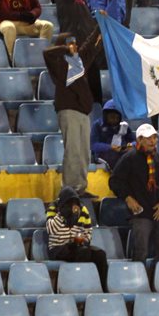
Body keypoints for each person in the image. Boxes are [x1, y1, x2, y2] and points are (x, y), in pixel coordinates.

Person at [44, 28, 102, 199]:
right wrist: (64, 49)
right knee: (73, 150)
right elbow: (46, 53)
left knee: (84, 152)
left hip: (84, 111)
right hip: (68, 110)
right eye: (71, 43)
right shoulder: (59, 63)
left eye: (75, 43)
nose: (74, 46)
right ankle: (69, 191)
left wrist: (99, 26)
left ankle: (80, 188)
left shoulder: (79, 61)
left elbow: (90, 47)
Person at [109, 124, 159, 262]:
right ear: (140, 140)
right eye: (148, 138)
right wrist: (127, 198)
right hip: (140, 213)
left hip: (158, 214)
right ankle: (136, 281)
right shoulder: (129, 158)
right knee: (140, 252)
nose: (152, 141)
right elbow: (115, 181)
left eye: (154, 137)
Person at [45, 186, 108, 289]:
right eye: (69, 203)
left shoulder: (82, 209)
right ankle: (79, 285)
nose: (73, 206)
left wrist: (84, 240)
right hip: (58, 247)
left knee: (100, 254)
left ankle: (101, 287)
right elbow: (51, 230)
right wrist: (62, 215)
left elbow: (88, 231)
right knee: (82, 252)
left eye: (74, 202)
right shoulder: (54, 208)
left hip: (77, 246)